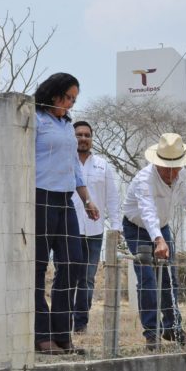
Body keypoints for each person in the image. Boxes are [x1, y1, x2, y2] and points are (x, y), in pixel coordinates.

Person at [33, 72, 100, 354]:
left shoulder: (66, 125)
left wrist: (87, 200)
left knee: (74, 262)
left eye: (74, 99)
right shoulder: (35, 119)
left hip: (65, 199)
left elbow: (74, 166)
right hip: (39, 196)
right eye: (68, 97)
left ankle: (62, 334)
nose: (71, 103)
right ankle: (41, 335)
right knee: (36, 267)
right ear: (53, 94)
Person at [123, 132, 186, 351]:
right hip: (137, 228)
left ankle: (173, 328)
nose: (171, 173)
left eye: (175, 168)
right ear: (157, 163)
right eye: (166, 168)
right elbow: (147, 212)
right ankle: (152, 334)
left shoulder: (181, 175)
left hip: (162, 227)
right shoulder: (144, 180)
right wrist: (158, 240)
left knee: (169, 280)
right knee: (148, 280)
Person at [71, 121, 122, 334]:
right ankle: (62, 321)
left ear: (91, 139)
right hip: (69, 228)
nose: (83, 138)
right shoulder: (65, 162)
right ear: (72, 137)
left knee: (87, 278)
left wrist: (116, 227)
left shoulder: (103, 165)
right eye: (79, 135)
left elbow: (112, 197)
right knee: (66, 276)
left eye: (87, 135)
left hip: (94, 230)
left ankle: (80, 323)